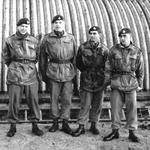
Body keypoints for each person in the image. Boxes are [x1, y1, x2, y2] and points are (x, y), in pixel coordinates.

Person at [2, 18, 44, 137]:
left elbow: (37, 57)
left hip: (30, 74)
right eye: (21, 26)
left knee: (33, 101)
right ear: (17, 26)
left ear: (28, 27)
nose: (23, 28)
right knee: (14, 101)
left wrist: (28, 64)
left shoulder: (34, 41)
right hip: (15, 74)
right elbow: (6, 57)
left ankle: (35, 125)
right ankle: (12, 126)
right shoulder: (9, 40)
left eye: (26, 26)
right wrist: (15, 66)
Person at [103, 28, 144, 142]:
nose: (122, 38)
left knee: (132, 109)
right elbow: (108, 69)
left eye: (125, 36)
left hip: (131, 83)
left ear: (130, 37)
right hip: (116, 82)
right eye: (121, 36)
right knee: (115, 109)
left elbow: (140, 69)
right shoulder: (113, 50)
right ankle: (115, 131)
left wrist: (140, 84)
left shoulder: (137, 51)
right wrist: (107, 83)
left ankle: (132, 132)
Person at [39, 15, 77, 135]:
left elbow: (75, 58)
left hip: (67, 72)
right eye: (55, 22)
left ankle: (65, 122)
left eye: (60, 22)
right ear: (52, 25)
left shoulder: (71, 38)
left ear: (64, 24)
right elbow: (43, 59)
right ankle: (55, 122)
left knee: (66, 99)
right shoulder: (47, 38)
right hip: (53, 72)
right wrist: (44, 75)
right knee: (54, 99)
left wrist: (75, 75)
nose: (58, 24)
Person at [72, 26, 109, 137]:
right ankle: (81, 126)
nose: (92, 36)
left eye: (95, 33)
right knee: (85, 104)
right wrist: (86, 72)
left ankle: (94, 125)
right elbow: (78, 63)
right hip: (86, 79)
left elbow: (108, 66)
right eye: (91, 33)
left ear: (100, 35)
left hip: (100, 81)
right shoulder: (83, 48)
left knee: (97, 105)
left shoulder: (104, 50)